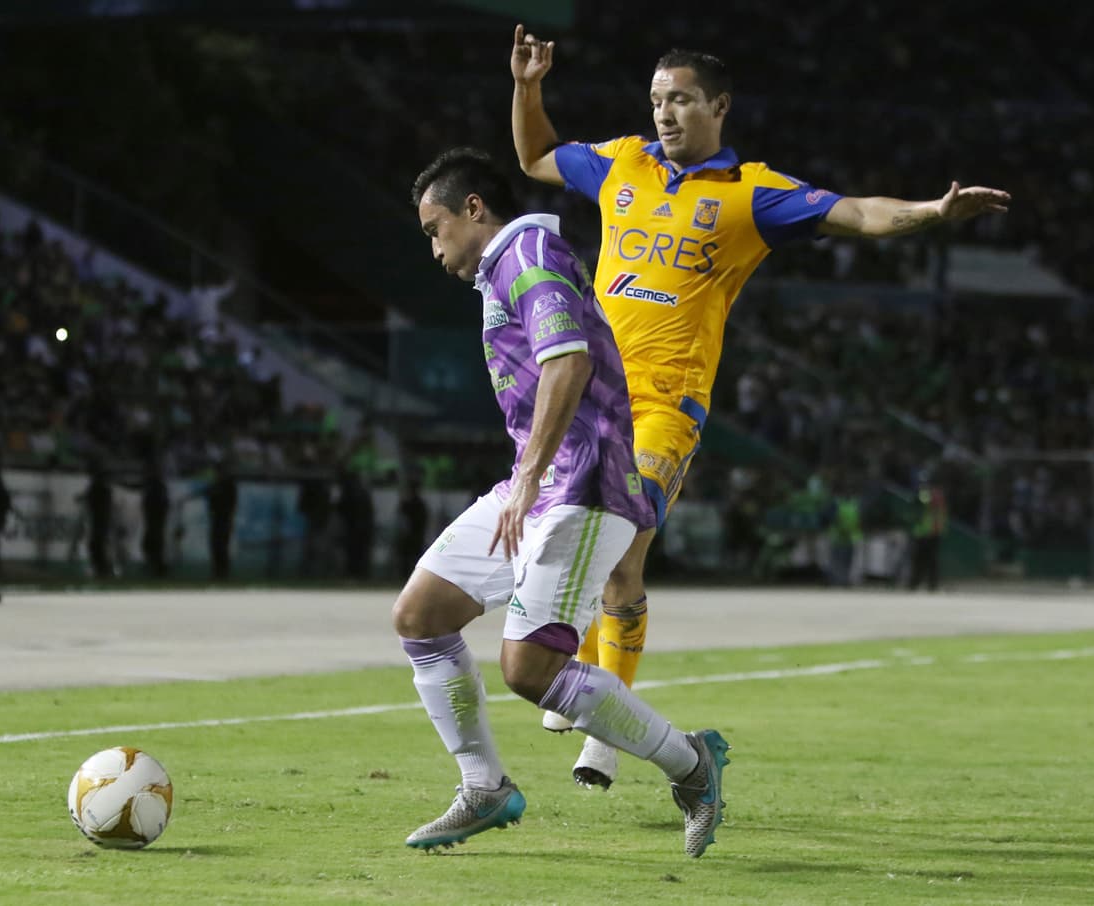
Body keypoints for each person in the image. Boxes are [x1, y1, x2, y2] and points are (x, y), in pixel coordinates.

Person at [510, 26, 1011, 786]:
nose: (665, 113)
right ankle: (581, 668)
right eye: (656, 99)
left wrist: (934, 212)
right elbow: (535, 158)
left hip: (667, 406)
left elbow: (859, 214)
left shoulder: (752, 193)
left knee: (620, 557)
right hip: (589, 398)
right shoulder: (621, 164)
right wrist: (527, 88)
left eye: (681, 100)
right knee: (570, 544)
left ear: (719, 106)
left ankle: (602, 734)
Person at [395, 147, 729, 858]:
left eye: (435, 229)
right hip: (542, 482)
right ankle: (484, 787)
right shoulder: (503, 270)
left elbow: (568, 360)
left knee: (530, 670)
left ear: (473, 209)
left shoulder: (528, 253)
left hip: (585, 484)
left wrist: (528, 477)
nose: (434, 249)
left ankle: (692, 763)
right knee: (421, 615)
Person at [908, 470, 947, 591]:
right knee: (927, 560)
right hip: (929, 532)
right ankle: (924, 584)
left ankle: (921, 584)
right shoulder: (935, 494)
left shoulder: (926, 494)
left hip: (927, 533)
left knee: (923, 560)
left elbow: (924, 503)